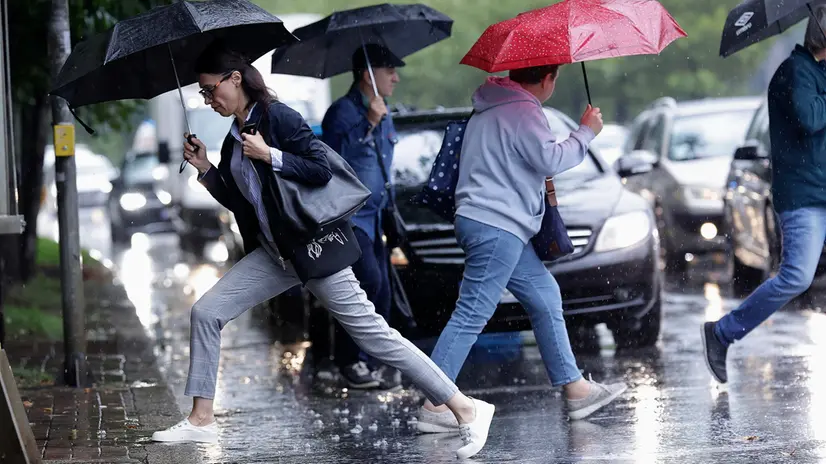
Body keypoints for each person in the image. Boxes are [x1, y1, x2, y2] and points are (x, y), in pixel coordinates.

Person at [150, 43, 495, 460]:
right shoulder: (233, 139)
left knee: (375, 335)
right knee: (206, 312)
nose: (208, 99)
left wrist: (272, 155)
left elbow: (321, 168)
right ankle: (201, 420)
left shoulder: (278, 118)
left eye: (210, 90)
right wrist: (207, 168)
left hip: (311, 247)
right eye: (204, 95)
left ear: (235, 79)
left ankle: (465, 408)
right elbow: (244, 204)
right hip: (276, 255)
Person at [416, 65, 627, 432]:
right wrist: (586, 132)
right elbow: (550, 159)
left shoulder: (489, 107)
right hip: (497, 225)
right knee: (471, 314)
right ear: (547, 79)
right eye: (555, 79)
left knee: (545, 295)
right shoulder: (523, 109)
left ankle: (575, 388)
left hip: (486, 222)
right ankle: (435, 404)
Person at [703, 6, 826, 384]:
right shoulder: (794, 72)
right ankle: (722, 333)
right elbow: (810, 119)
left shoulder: (816, 72)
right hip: (805, 196)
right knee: (796, 277)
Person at [314, 44, 403, 390]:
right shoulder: (342, 113)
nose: (396, 78)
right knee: (365, 285)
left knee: (381, 292)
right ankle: (350, 361)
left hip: (377, 215)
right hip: (349, 217)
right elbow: (333, 163)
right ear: (368, 75)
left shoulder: (385, 110)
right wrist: (368, 122)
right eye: (389, 71)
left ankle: (370, 362)